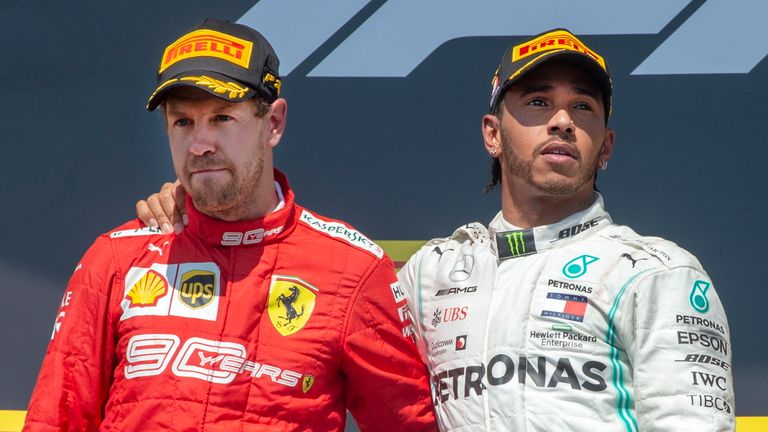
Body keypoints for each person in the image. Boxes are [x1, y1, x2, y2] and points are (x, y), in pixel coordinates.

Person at [136, 28, 735, 431]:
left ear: (605, 147)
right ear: (491, 135)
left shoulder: (657, 273)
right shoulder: (432, 273)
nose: (560, 121)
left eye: (583, 108)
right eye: (535, 103)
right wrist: (194, 212)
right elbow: (308, 288)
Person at [24, 19, 436, 432]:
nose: (200, 144)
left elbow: (409, 424)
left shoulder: (352, 270)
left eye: (222, 118)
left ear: (273, 123)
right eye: (182, 122)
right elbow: (53, 420)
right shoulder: (116, 259)